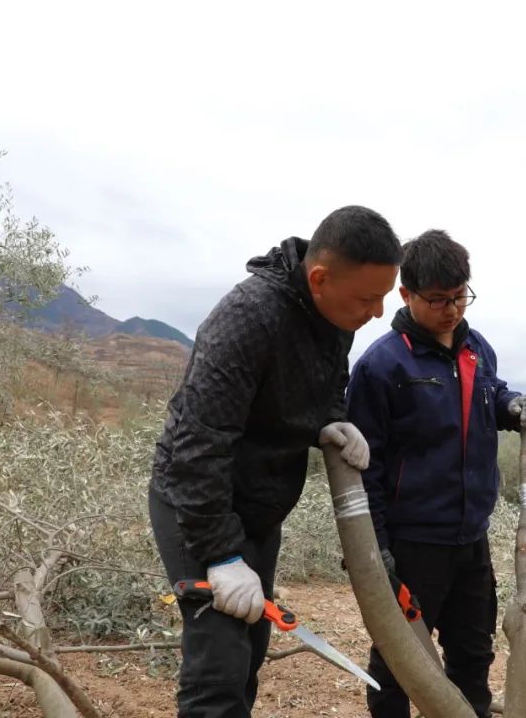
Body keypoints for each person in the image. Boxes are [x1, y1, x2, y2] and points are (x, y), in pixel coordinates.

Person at [148, 205, 403, 718]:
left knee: (248, 653)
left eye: (383, 297)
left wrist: (332, 420)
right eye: (368, 298)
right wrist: (221, 556)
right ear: (320, 278)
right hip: (197, 503)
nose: (377, 313)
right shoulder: (248, 317)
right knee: (218, 668)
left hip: (260, 510)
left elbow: (330, 381)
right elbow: (199, 443)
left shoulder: (337, 316)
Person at [346, 229, 526, 718]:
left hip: (471, 538)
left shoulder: (476, 347)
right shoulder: (382, 366)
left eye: (460, 296)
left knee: (473, 655)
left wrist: (510, 405)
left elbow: (489, 392)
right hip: (412, 543)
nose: (452, 310)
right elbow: (363, 469)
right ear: (406, 294)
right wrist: (375, 549)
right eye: (438, 299)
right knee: (399, 660)